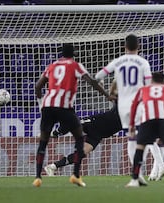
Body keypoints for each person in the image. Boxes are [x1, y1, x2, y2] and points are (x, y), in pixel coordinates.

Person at [32, 44, 113, 187]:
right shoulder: (76, 65)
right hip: (64, 106)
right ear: (73, 54)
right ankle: (75, 175)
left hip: (47, 106)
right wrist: (107, 95)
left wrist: (41, 105)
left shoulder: (52, 66)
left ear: (61, 54)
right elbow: (92, 82)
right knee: (80, 137)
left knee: (43, 142)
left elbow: (38, 86)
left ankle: (38, 178)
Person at [94, 34, 164, 184]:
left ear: (124, 47)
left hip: (123, 106)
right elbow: (147, 86)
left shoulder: (118, 61)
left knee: (132, 139)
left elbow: (98, 76)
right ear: (138, 47)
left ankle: (138, 175)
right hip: (139, 104)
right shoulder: (143, 62)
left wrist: (108, 94)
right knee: (144, 137)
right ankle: (149, 170)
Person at [126, 72, 164, 187]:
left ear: (152, 81)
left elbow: (134, 105)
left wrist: (131, 124)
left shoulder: (143, 89)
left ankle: (135, 180)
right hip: (163, 121)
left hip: (147, 121)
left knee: (140, 147)